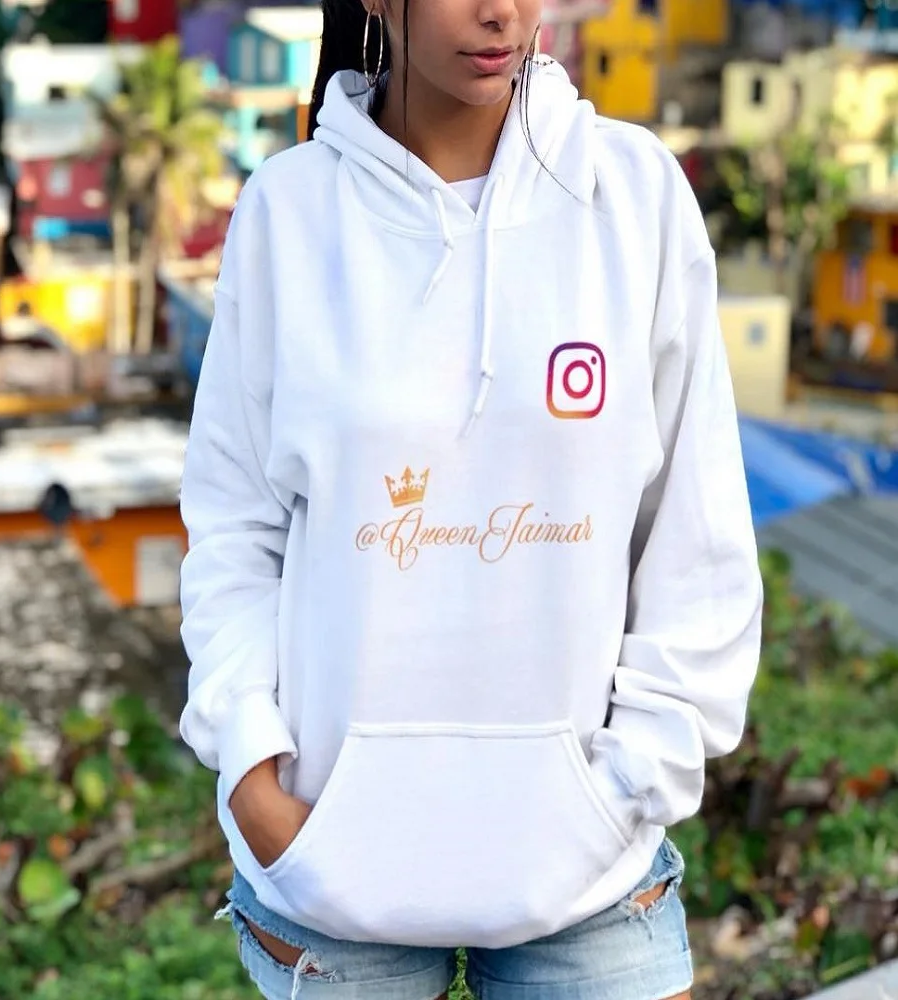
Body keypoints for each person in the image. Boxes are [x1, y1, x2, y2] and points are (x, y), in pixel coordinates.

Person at [177, 0, 765, 993]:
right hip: (329, 867)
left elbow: (694, 524)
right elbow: (235, 525)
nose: (500, 12)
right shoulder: (288, 213)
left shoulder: (633, 197)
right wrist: (250, 764)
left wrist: (638, 771)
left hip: (592, 877)